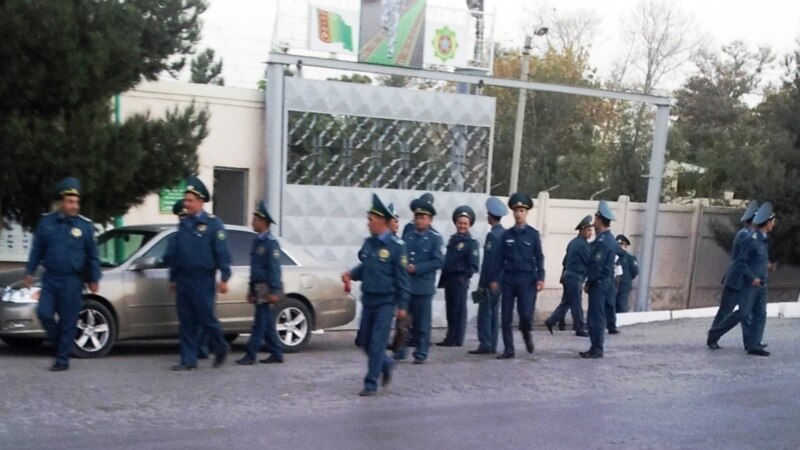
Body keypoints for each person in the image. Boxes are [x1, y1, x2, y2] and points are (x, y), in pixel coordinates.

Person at [24, 177, 101, 371]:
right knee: (44, 313)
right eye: (70, 201)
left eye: (77, 202)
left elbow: (93, 255)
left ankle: (62, 360)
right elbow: (36, 250)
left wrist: (94, 277)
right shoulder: (46, 223)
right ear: (61, 202)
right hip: (51, 278)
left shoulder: (85, 226)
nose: (75, 206)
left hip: (72, 281)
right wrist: (29, 272)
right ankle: (61, 344)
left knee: (68, 321)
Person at [342, 194, 410, 396]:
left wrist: (403, 306)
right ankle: (386, 363)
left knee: (377, 342)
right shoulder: (369, 244)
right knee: (363, 341)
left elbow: (403, 280)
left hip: (386, 302)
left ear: (381, 221)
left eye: (371, 219)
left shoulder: (397, 248)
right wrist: (351, 275)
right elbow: (367, 267)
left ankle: (370, 383)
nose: (368, 223)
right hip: (369, 300)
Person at [164, 176, 232, 371]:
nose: (187, 203)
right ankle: (188, 359)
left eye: (190, 200)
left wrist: (224, 277)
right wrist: (173, 277)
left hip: (203, 279)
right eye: (186, 200)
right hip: (184, 279)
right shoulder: (183, 224)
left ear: (201, 202)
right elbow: (177, 253)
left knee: (206, 317)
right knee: (186, 320)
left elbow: (222, 253)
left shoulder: (213, 224)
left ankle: (220, 346)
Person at [707, 202, 775, 356]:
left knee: (744, 313)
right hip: (737, 279)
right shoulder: (745, 235)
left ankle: (750, 343)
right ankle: (713, 336)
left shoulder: (753, 236)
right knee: (728, 312)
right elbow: (742, 260)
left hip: (744, 280)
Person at [394, 196, 443, 364]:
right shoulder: (408, 236)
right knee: (402, 321)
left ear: (429, 220)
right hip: (407, 286)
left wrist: (418, 268)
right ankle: (400, 350)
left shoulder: (435, 238)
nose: (419, 220)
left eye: (423, 217)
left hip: (423, 287)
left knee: (422, 322)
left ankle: (421, 352)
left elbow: (438, 261)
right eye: (417, 217)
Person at [236, 201, 285, 366]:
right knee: (267, 323)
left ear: (263, 221)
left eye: (255, 219)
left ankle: (251, 354)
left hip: (267, 287)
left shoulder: (271, 243)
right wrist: (251, 289)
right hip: (258, 287)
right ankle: (276, 352)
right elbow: (255, 268)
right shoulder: (257, 241)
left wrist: (274, 290)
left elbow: (274, 269)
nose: (252, 222)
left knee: (259, 323)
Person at [496, 193, 545, 359]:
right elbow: (499, 258)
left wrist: (541, 277)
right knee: (506, 316)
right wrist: (496, 279)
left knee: (525, 315)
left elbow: (539, 257)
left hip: (527, 279)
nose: (519, 214)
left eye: (522, 210)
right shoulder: (506, 235)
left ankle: (526, 334)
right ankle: (508, 349)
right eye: (516, 210)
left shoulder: (533, 234)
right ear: (513, 213)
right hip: (509, 278)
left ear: (527, 212)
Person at [580, 200, 620, 359]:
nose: (594, 222)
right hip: (606, 282)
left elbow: (596, 266)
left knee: (596, 316)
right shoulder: (610, 239)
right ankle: (595, 346)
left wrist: (588, 282)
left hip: (599, 283)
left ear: (601, 221)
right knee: (599, 315)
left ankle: (597, 348)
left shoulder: (603, 242)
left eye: (596, 220)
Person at [436, 205, 479, 347]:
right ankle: (450, 336)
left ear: (469, 225)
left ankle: (457, 338)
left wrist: (464, 277)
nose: (462, 226)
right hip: (449, 279)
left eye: (465, 223)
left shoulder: (471, 243)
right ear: (456, 223)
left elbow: (473, 265)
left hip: (460, 280)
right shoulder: (453, 240)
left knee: (459, 310)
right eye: (460, 223)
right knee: (450, 309)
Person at [470, 197, 508, 354]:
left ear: (490, 216)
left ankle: (485, 343)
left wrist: (483, 282)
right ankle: (493, 343)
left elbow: (489, 262)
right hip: (501, 280)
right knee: (494, 313)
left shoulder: (492, 236)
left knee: (485, 314)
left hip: (490, 281)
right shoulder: (505, 234)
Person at [545, 215, 592, 337]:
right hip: (575, 276)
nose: (590, 232)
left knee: (566, 302)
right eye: (588, 230)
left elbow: (565, 260)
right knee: (576, 303)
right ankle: (579, 327)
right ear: (581, 230)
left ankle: (551, 321)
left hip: (568, 275)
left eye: (591, 230)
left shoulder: (573, 242)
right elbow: (589, 261)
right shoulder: (583, 245)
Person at [607, 234, 639, 333]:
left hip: (623, 286)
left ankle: (619, 325)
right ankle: (610, 324)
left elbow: (634, 271)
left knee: (621, 306)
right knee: (611, 305)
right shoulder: (612, 256)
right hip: (612, 285)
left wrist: (626, 280)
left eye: (621, 245)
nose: (620, 247)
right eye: (618, 244)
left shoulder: (629, 258)